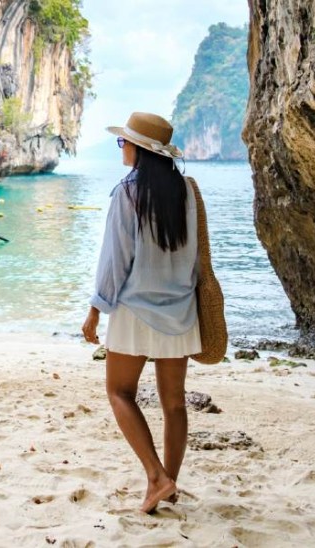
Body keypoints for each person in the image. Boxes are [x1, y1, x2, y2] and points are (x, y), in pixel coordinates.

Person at [81, 112, 198, 514]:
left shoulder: (127, 193)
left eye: (124, 142)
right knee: (175, 404)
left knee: (118, 392)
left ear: (141, 151)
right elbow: (196, 258)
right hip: (180, 311)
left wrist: (96, 308)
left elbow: (115, 258)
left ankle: (156, 477)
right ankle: (170, 483)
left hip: (133, 310)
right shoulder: (186, 191)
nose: (122, 147)